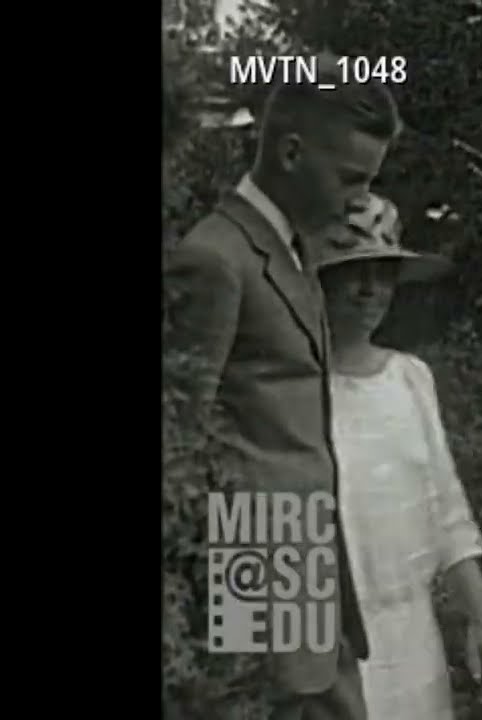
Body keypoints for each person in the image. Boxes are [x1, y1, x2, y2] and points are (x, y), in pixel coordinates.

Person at [162, 56, 400, 719]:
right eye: (352, 178)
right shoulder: (215, 259)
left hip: (306, 558)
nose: (360, 200)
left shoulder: (289, 249)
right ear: (291, 152)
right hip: (255, 562)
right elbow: (177, 449)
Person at [313, 194, 482, 720]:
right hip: (327, 648)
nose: (371, 291)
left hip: (413, 644)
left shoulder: (410, 378)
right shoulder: (282, 392)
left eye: (384, 273)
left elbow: (447, 508)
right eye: (353, 273)